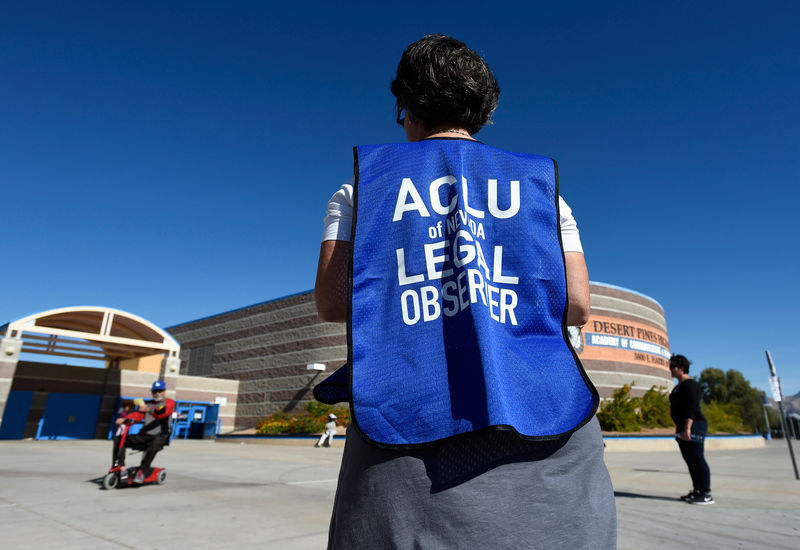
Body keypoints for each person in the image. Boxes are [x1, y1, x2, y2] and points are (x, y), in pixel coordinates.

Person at [314, 34, 615, 549]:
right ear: (482, 112)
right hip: (543, 416)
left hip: (406, 419)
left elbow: (335, 302)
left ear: (406, 106)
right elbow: (578, 305)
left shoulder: (362, 187)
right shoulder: (544, 188)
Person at [669, 354, 714, 505]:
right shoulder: (678, 386)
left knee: (698, 459)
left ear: (681, 368)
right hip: (682, 426)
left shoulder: (690, 385)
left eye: (672, 367)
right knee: (690, 461)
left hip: (694, 426)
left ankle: (706, 493)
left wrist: (687, 429)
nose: (670, 370)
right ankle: (697, 491)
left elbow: (692, 408)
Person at [114, 379, 175, 483]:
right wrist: (124, 419)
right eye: (155, 391)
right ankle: (120, 468)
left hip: (160, 436)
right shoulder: (147, 403)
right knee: (119, 439)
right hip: (145, 435)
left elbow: (163, 413)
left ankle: (142, 471)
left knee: (154, 444)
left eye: (160, 390)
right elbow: (138, 415)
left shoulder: (169, 402)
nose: (157, 393)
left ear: (164, 391)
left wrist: (149, 410)